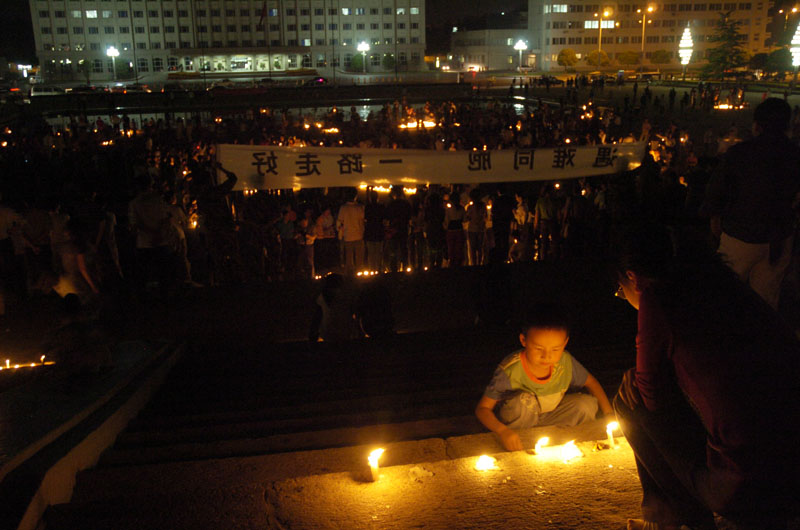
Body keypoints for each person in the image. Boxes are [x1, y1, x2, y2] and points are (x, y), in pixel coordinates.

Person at [612, 224, 800, 530]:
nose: (624, 295)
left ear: (633, 277)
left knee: (629, 398)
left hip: (748, 490)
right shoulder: (721, 283)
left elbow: (652, 397)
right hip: (794, 475)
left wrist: (641, 376)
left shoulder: (655, 297)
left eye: (620, 290)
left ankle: (674, 517)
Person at [475, 303, 613, 452]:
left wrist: (609, 414)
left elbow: (591, 383)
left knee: (586, 404)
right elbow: (482, 409)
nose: (547, 356)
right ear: (523, 340)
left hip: (552, 415)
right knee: (523, 402)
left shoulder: (565, 363)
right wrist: (502, 431)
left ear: (565, 343)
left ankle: (559, 436)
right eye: (538, 348)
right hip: (520, 423)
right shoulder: (511, 370)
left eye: (555, 349)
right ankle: (522, 440)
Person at [703, 98, 800, 310]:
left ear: (757, 125)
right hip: (779, 238)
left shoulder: (739, 153)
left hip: (741, 235)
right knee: (766, 300)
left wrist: (715, 218)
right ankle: (759, 338)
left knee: (727, 292)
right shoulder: (795, 155)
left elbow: (716, 190)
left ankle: (727, 335)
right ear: (789, 125)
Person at [336, 188, 365, 276]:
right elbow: (362, 221)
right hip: (358, 235)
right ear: (355, 196)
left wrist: (340, 231)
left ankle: (350, 276)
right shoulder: (359, 207)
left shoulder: (343, 208)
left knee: (349, 259)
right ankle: (359, 276)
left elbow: (339, 222)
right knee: (359, 258)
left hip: (348, 236)